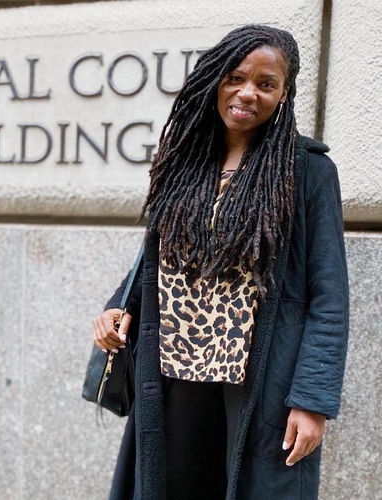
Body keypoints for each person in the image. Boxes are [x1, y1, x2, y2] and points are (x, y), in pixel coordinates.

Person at [92, 25, 349, 500]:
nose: (248, 92)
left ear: (283, 93)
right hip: (171, 372)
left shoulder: (308, 171)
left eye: (266, 83)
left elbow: (329, 296)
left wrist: (312, 402)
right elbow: (158, 258)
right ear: (215, 80)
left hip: (257, 382)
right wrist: (117, 306)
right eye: (235, 77)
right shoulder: (184, 159)